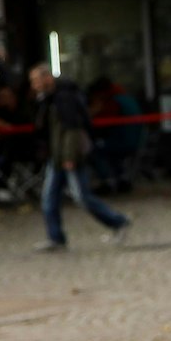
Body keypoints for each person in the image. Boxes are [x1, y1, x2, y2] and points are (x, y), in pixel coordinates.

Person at [28, 64, 132, 251]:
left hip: (69, 154)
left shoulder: (63, 98)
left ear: (47, 78)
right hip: (57, 155)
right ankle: (55, 237)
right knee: (50, 198)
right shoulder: (49, 99)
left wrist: (69, 156)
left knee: (81, 196)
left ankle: (118, 221)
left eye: (36, 80)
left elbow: (72, 129)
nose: (34, 85)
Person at [86, 77, 144, 193]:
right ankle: (121, 178)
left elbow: (103, 122)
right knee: (110, 154)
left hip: (122, 141)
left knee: (94, 151)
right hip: (135, 140)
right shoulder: (126, 98)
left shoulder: (113, 102)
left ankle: (107, 181)